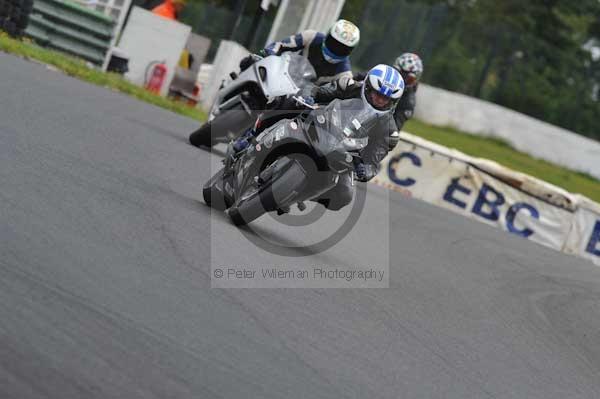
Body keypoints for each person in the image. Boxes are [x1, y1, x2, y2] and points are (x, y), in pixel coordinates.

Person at [310, 64, 404, 210]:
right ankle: (261, 134)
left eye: (385, 98)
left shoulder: (389, 132)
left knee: (344, 195)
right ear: (368, 87)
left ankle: (305, 194)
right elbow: (318, 92)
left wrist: (366, 169)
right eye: (378, 94)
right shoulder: (348, 86)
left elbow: (374, 158)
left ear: (393, 101)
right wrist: (309, 96)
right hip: (318, 125)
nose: (380, 100)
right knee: (287, 104)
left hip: (345, 153)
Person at [239, 19, 360, 90]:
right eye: (334, 43)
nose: (336, 50)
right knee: (250, 62)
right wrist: (268, 53)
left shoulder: (345, 74)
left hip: (299, 100)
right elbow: (281, 45)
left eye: (342, 49)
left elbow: (336, 96)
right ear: (327, 36)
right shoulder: (312, 36)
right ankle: (233, 85)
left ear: (350, 51)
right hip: (281, 75)